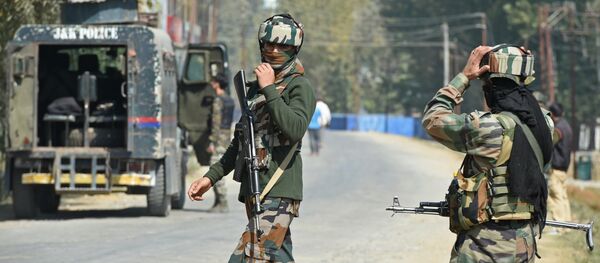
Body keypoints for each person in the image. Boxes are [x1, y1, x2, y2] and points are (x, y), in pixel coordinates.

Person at [187, 14, 315, 262]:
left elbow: (295, 128)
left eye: (282, 46)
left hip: (278, 191)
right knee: (278, 256)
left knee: (247, 257)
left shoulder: (298, 86)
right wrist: (210, 178)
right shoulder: (256, 89)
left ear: (294, 49)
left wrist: (269, 89)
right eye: (269, 44)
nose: (274, 50)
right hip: (256, 191)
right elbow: (241, 142)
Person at [422, 45, 555, 262]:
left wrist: (464, 77)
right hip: (525, 244)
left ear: (491, 87)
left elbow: (433, 119)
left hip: (484, 246)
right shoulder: (545, 125)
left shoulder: (489, 129)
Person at [206, 73, 235, 213]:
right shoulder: (229, 100)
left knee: (215, 167)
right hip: (226, 136)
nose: (211, 84)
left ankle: (222, 202)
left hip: (218, 139)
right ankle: (218, 202)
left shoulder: (218, 101)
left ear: (217, 84)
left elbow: (216, 122)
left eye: (213, 82)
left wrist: (212, 141)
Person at [547, 102, 573, 223]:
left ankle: (559, 223)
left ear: (551, 114)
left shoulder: (558, 129)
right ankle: (566, 221)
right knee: (563, 196)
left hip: (556, 168)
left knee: (555, 196)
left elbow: (550, 143)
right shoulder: (567, 126)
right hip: (564, 167)